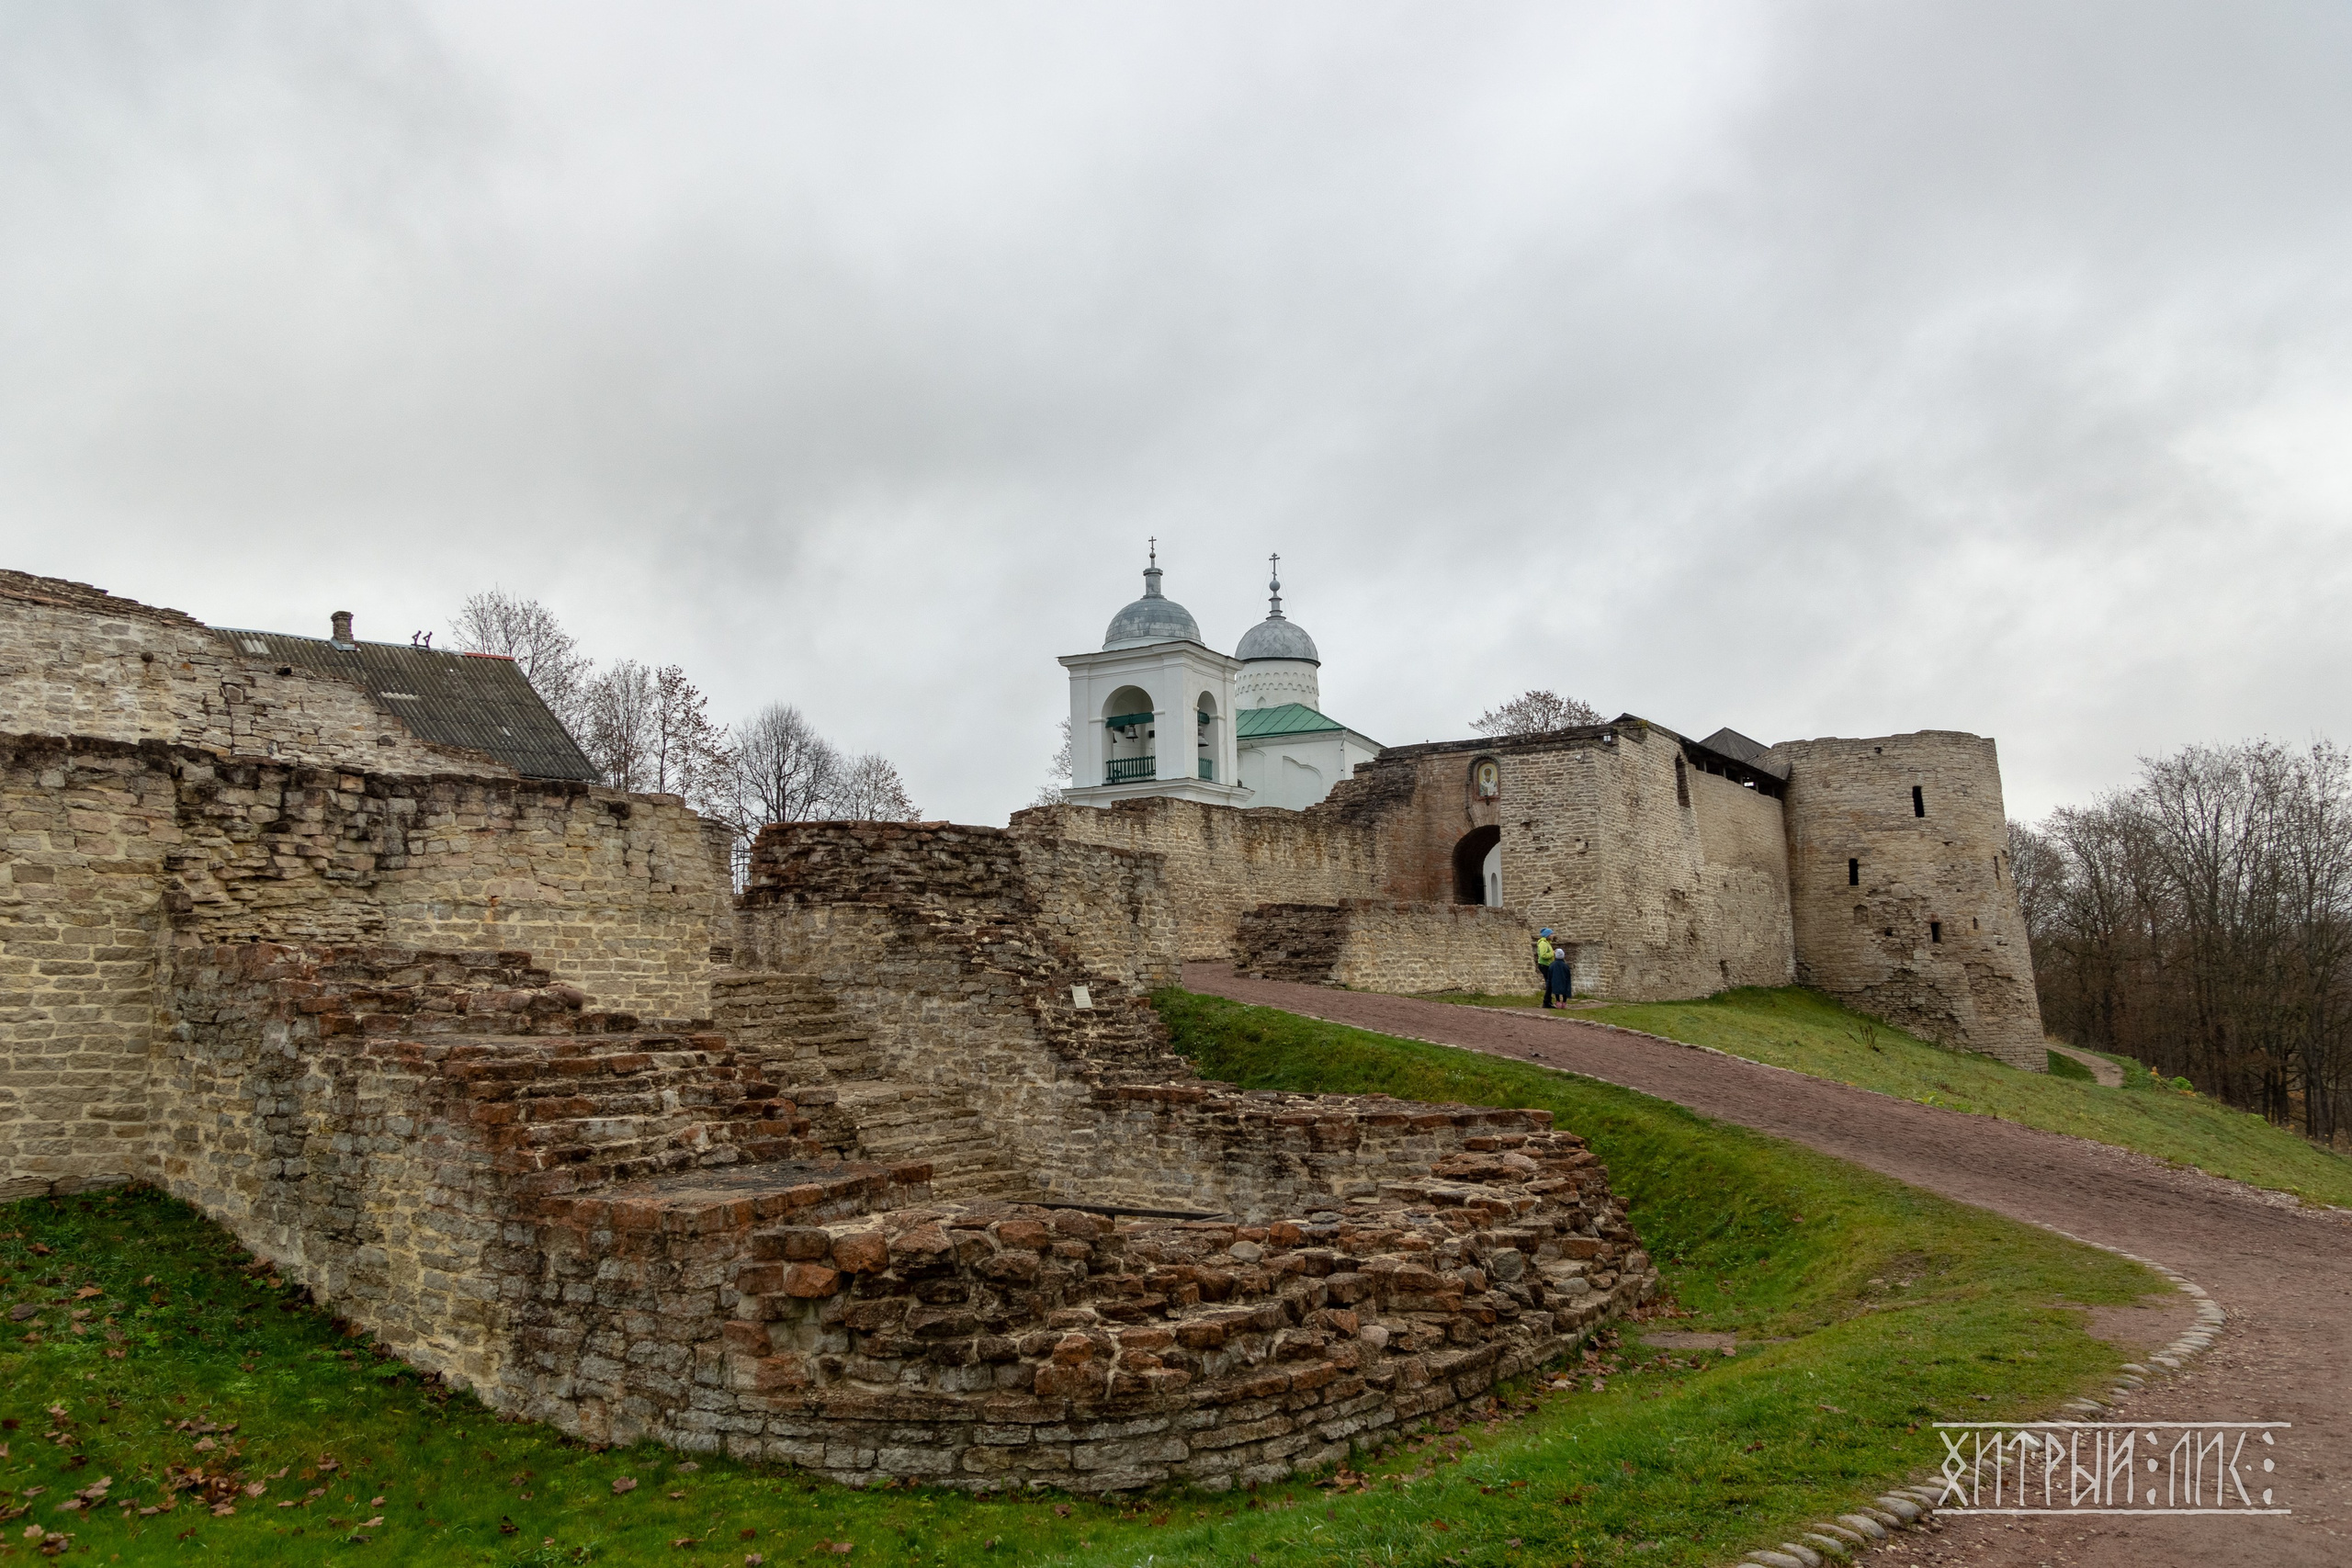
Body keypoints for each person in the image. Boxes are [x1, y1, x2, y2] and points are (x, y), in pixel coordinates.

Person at [1534, 928, 1556, 1006]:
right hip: (1545, 965)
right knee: (1549, 983)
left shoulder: (1547, 942)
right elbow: (1543, 955)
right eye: (1551, 934)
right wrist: (1552, 953)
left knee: (1550, 983)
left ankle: (1548, 1001)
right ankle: (1546, 1002)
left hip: (1548, 965)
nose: (1552, 935)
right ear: (1547, 935)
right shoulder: (1543, 943)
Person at [1547, 942, 1573, 1009]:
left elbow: (1549, 973)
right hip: (1564, 981)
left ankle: (1558, 1001)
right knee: (1564, 992)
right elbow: (1568, 974)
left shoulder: (1552, 965)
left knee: (1557, 992)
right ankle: (1564, 1002)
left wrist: (1549, 982)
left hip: (1555, 981)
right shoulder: (1565, 965)